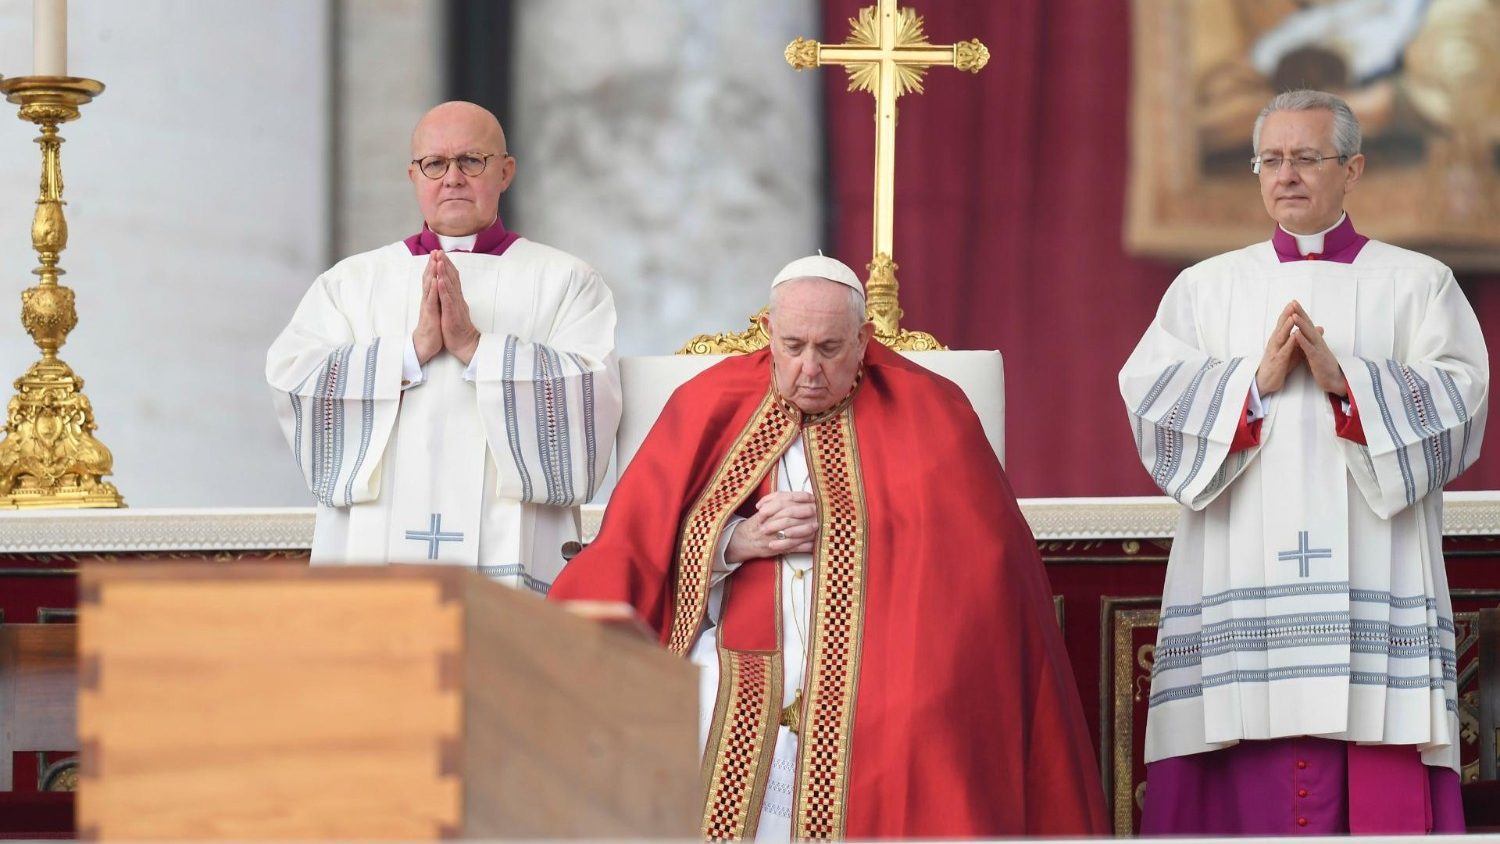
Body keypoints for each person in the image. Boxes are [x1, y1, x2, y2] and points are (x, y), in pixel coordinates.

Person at [550, 256, 1108, 839]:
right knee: (678, 707)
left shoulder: (932, 410)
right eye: (792, 346)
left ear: (864, 341)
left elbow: (980, 570)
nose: (808, 369)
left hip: (885, 649)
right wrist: (734, 541)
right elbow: (636, 544)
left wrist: (856, 526)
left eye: (829, 348)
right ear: (769, 332)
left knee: (918, 719)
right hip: (737, 646)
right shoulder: (707, 401)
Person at [1120, 89, 1488, 835]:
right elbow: (1151, 403)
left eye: (1306, 158)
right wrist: (1250, 385)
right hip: (1240, 562)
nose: (1286, 175)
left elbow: (1461, 401)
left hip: (1372, 563)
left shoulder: (1418, 283)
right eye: (1272, 160)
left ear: (1351, 169)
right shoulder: (1205, 288)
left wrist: (1345, 384)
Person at [266, 101, 620, 593]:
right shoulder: (350, 282)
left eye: (471, 160)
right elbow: (294, 379)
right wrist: (409, 352)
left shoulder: (567, 281)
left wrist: (478, 349)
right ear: (413, 175)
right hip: (374, 551)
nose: (452, 178)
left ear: (505, 171)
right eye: (435, 164)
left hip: (509, 558)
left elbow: (591, 394)